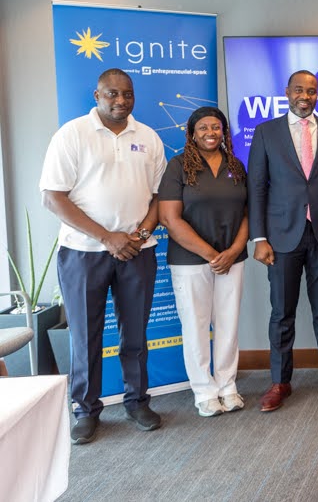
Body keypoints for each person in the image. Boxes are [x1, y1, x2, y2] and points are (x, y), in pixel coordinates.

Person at [40, 68, 166, 444]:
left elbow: (159, 197)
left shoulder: (148, 137)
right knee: (85, 335)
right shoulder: (72, 134)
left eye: (127, 94)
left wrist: (139, 236)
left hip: (137, 252)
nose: (120, 101)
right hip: (83, 253)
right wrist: (107, 238)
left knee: (135, 333)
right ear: (97, 95)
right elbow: (53, 197)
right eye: (112, 94)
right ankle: (85, 409)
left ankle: (137, 401)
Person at [247, 70, 318, 411]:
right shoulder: (266, 132)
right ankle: (280, 381)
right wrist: (259, 237)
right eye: (299, 90)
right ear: (287, 92)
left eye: (311, 91)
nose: (305, 97)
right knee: (282, 312)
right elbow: (257, 187)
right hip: (282, 236)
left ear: (317, 95)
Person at [158, 107, 249, 417]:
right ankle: (204, 391)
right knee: (196, 326)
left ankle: (227, 386)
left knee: (228, 324)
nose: (211, 132)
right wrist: (211, 255)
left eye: (216, 127)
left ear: (223, 131)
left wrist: (233, 250)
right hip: (191, 261)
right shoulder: (178, 166)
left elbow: (247, 213)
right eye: (203, 128)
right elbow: (169, 219)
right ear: (192, 133)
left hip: (232, 259)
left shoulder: (235, 165)